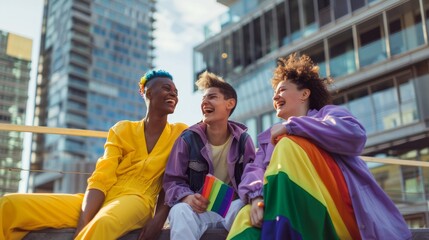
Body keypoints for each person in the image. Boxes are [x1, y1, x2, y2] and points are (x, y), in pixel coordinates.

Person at [227, 53, 412, 240]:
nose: (275, 97)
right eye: (275, 93)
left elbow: (355, 136)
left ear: (305, 94)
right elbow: (255, 170)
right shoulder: (268, 140)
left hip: (338, 207)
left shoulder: (327, 115)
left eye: (282, 90)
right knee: (245, 217)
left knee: (287, 145)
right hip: (288, 203)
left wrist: (292, 126)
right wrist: (257, 198)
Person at [0, 70, 188, 240]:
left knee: (103, 223)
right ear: (147, 92)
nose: (173, 94)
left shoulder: (181, 133)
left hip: (138, 201)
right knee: (10, 204)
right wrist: (83, 222)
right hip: (101, 199)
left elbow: (174, 181)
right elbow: (101, 178)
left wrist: (158, 218)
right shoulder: (122, 129)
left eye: (176, 91)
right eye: (166, 88)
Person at [162, 71, 256, 240]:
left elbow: (252, 178)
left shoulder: (243, 140)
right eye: (203, 99)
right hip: (197, 211)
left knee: (245, 207)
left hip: (231, 209)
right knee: (179, 210)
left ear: (230, 103)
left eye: (212, 97)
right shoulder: (187, 139)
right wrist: (187, 197)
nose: (205, 102)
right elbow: (172, 181)